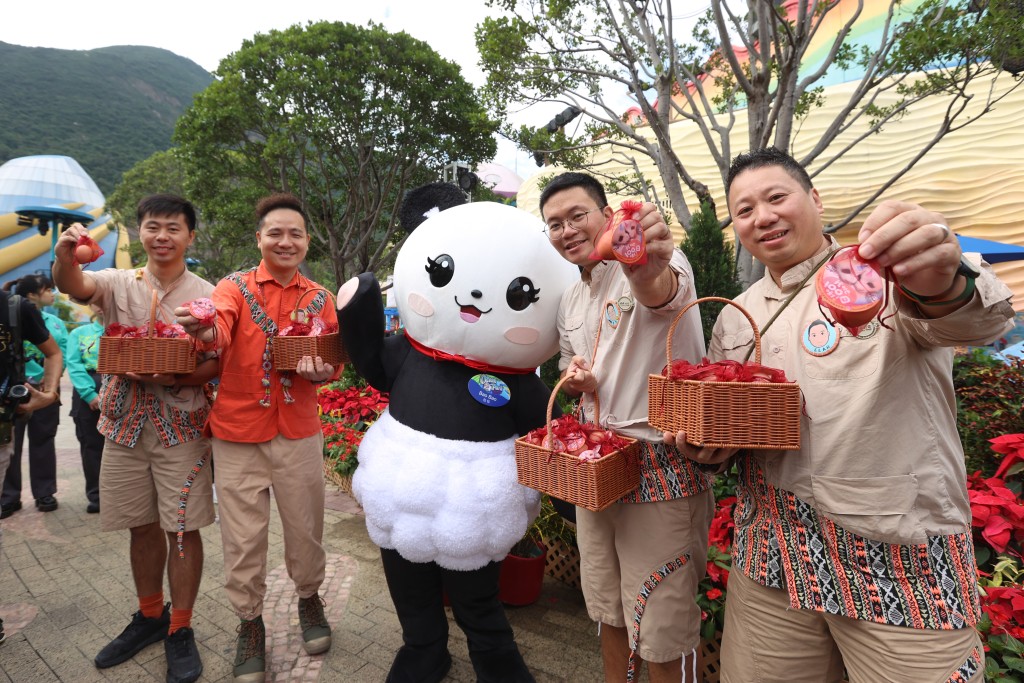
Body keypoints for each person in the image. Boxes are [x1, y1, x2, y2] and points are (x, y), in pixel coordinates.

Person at [668, 147, 1015, 683]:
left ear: (814, 198)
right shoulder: (737, 319)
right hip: (772, 560)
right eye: (743, 210)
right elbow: (733, 428)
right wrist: (707, 450)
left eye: (776, 197)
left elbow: (970, 321)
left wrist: (944, 282)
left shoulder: (880, 276)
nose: (762, 216)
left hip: (898, 558)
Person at [539, 172, 714, 683]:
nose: (567, 230)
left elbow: (659, 290)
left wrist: (640, 262)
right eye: (554, 224)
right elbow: (569, 365)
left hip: (660, 466)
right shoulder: (572, 298)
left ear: (606, 214)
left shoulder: (655, 260)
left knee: (663, 626)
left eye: (578, 216)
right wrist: (574, 380)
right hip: (596, 471)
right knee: (607, 609)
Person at [52, 194, 218, 683]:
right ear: (140, 233)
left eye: (172, 227)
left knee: (183, 529)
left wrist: (177, 378)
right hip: (124, 424)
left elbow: (219, 361)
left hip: (181, 428)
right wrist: (64, 256)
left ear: (190, 235)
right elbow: (74, 284)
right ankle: (150, 616)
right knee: (140, 525)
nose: (162, 236)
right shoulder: (117, 282)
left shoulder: (208, 293)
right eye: (152, 227)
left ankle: (181, 627)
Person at [175, 192, 338, 683]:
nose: (285, 241)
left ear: (307, 240)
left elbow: (330, 361)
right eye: (275, 233)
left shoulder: (320, 297)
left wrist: (322, 371)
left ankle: (309, 600)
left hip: (298, 434)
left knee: (306, 530)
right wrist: (203, 330)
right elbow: (218, 328)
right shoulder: (233, 288)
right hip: (237, 433)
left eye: (295, 233)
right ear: (259, 238)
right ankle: (250, 623)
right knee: (242, 540)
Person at [0, 281, 63, 643]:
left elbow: (54, 353)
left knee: (41, 446)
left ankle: (41, 492)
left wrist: (50, 393)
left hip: (2, 427)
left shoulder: (15, 308)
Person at [0, 275, 68, 518]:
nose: (52, 294)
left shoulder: (54, 323)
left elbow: (60, 354)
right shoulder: (15, 310)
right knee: (13, 446)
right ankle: (9, 497)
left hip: (32, 392)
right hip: (15, 391)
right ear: (32, 294)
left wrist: (50, 389)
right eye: (47, 289)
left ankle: (44, 492)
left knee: (42, 441)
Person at [65, 304, 105, 513]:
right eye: (97, 302)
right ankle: (97, 495)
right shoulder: (80, 333)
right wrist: (89, 393)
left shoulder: (127, 332)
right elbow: (74, 363)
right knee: (92, 446)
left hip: (123, 387)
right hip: (89, 387)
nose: (102, 306)